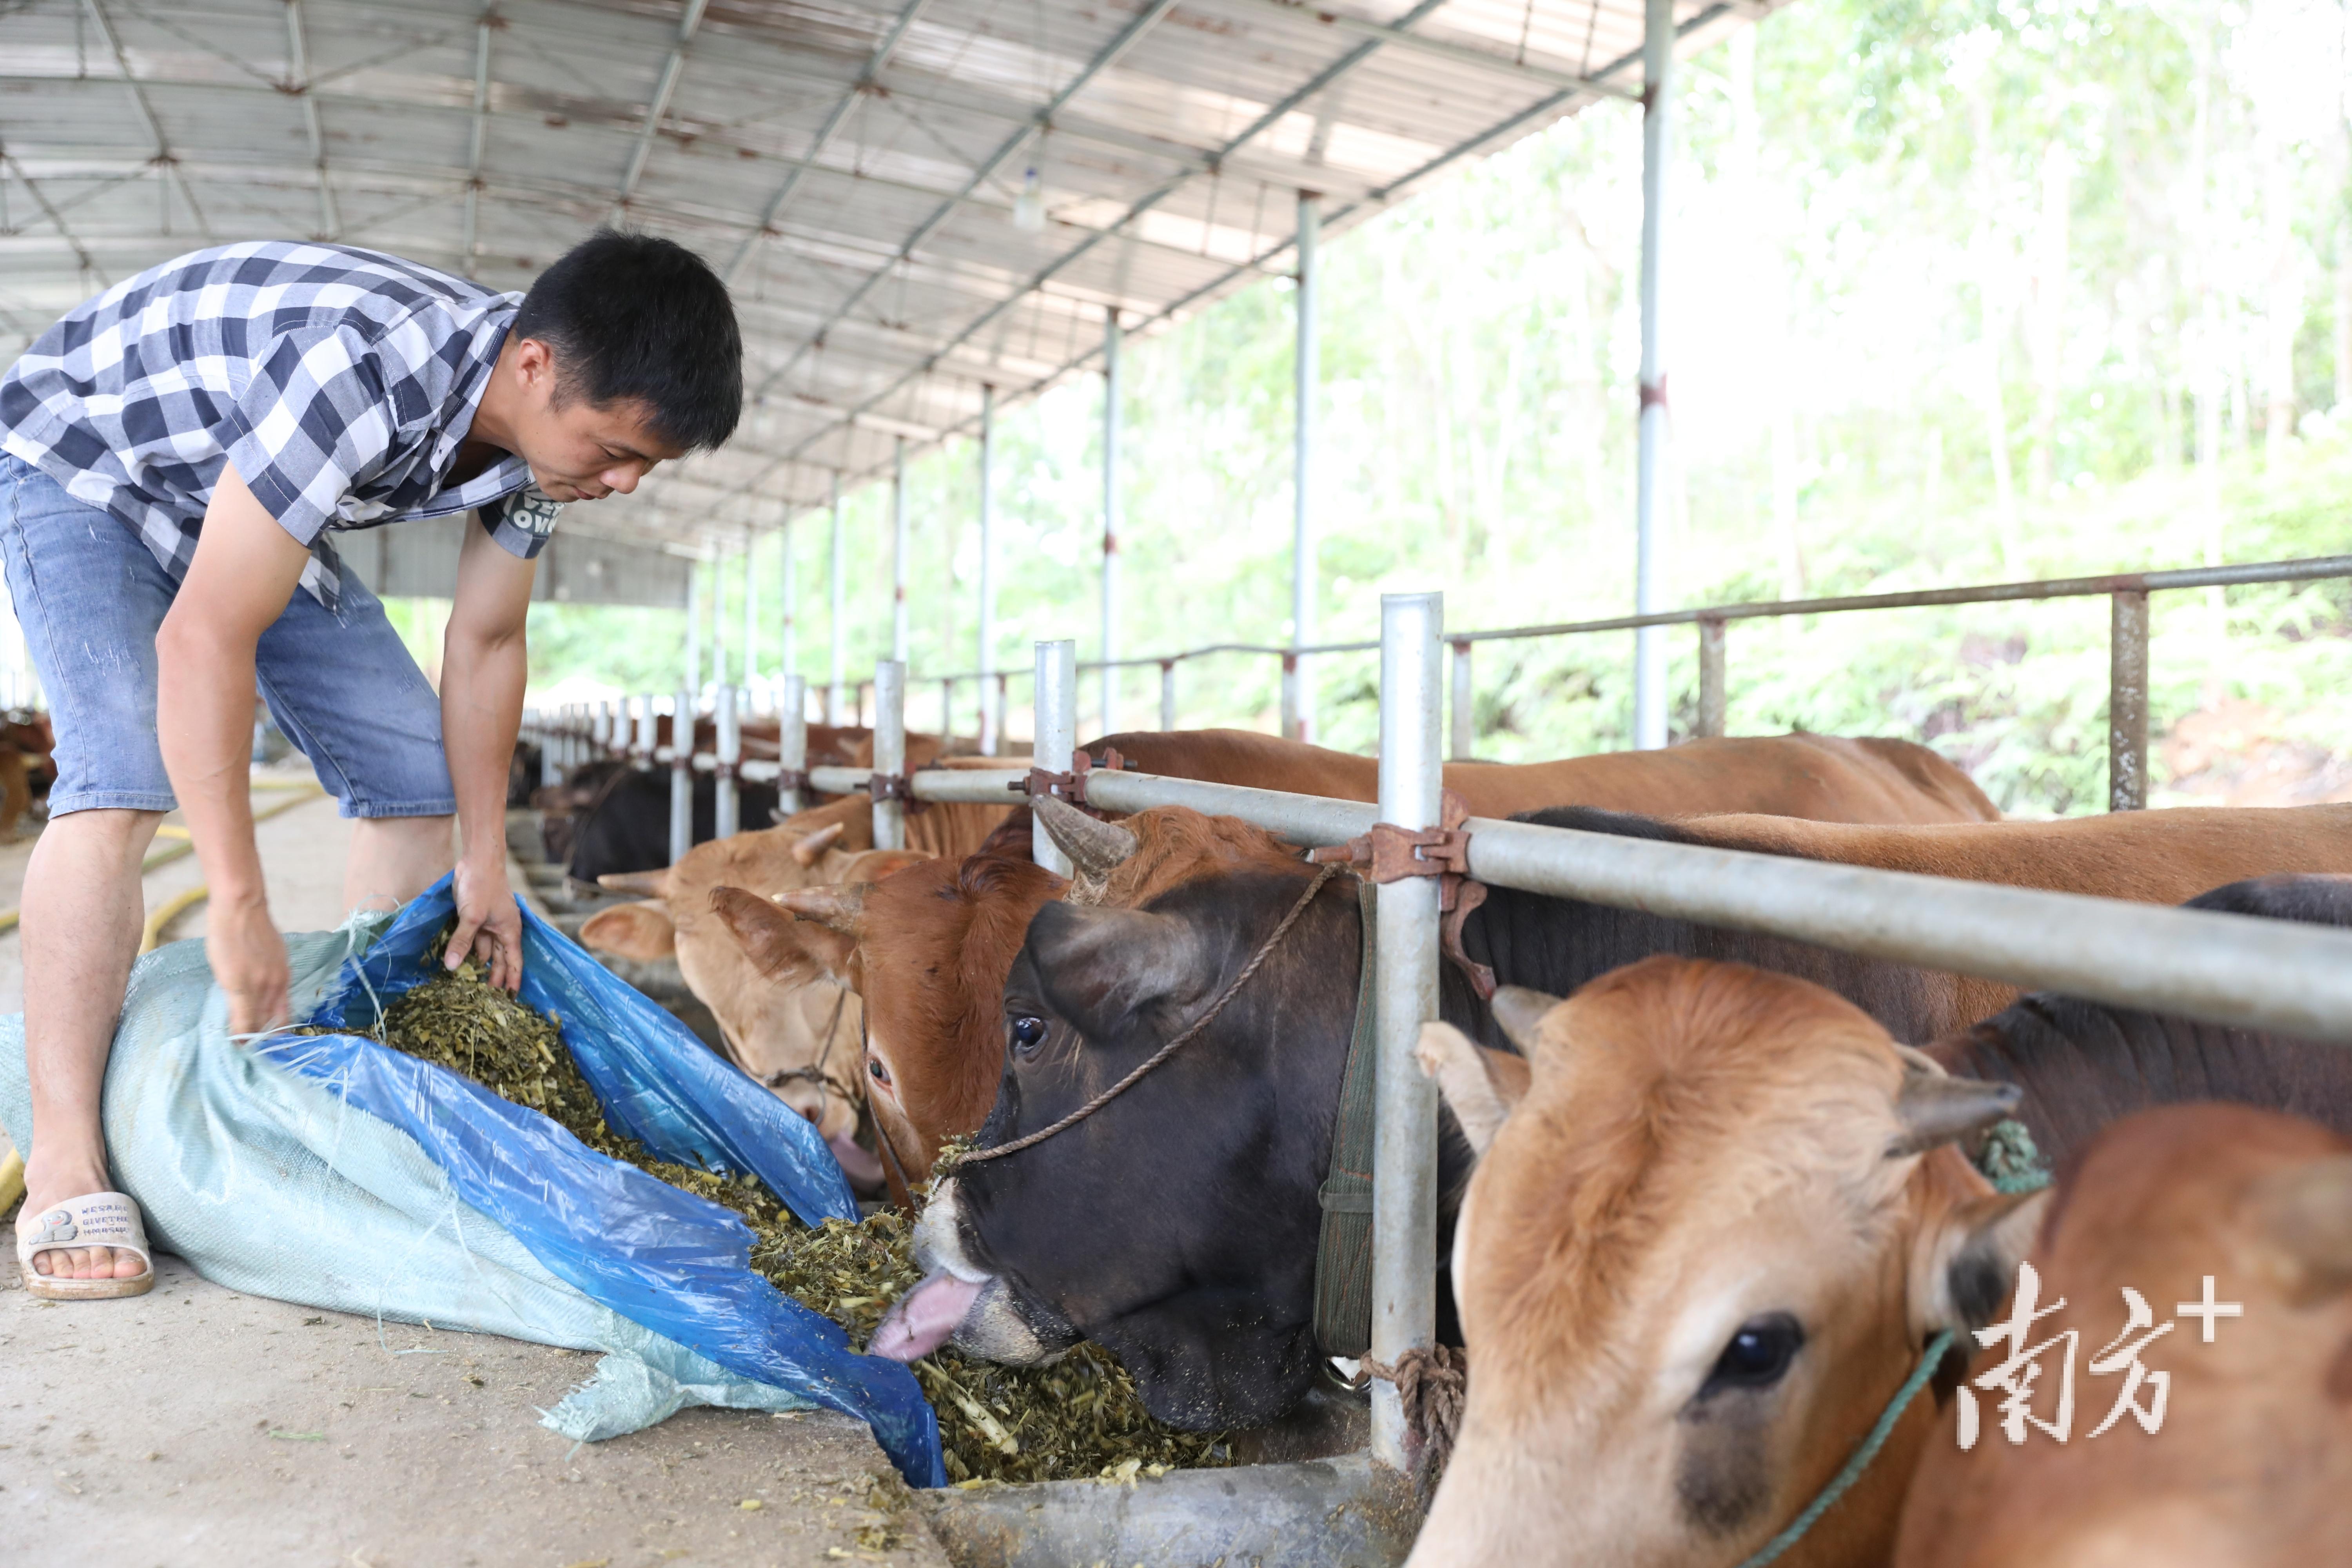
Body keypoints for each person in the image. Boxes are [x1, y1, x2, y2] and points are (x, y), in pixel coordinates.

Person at [0, 232, 741, 1298]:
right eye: (614, 449)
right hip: (87, 468)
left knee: (418, 781)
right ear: (535, 367)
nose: (622, 484)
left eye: (647, 467)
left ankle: (332, 1085)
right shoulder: (356, 368)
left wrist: (485, 862)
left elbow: (486, 642)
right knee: (120, 772)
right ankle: (67, 1152)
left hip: (241, 490)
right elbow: (203, 638)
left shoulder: (538, 456)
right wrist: (240, 902)